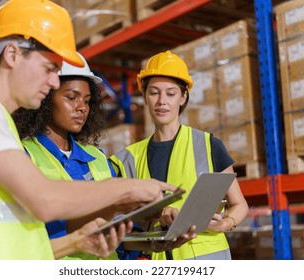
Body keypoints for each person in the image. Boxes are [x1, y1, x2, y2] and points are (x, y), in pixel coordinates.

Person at [0, 0, 177, 260]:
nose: (54, 81)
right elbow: (44, 201)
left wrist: (76, 242)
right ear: (12, 54)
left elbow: (14, 244)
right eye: (49, 68)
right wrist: (128, 188)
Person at [12, 53, 196, 260]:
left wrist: (153, 241)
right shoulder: (22, 156)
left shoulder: (97, 158)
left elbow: (119, 232)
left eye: (87, 100)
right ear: (45, 97)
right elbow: (34, 236)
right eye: (71, 98)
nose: (81, 107)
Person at [110, 50, 249, 260]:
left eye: (171, 93)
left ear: (183, 97)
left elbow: (239, 204)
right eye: (154, 92)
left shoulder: (208, 145)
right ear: (145, 97)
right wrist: (153, 218)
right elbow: (124, 221)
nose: (161, 101)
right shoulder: (127, 159)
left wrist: (225, 224)